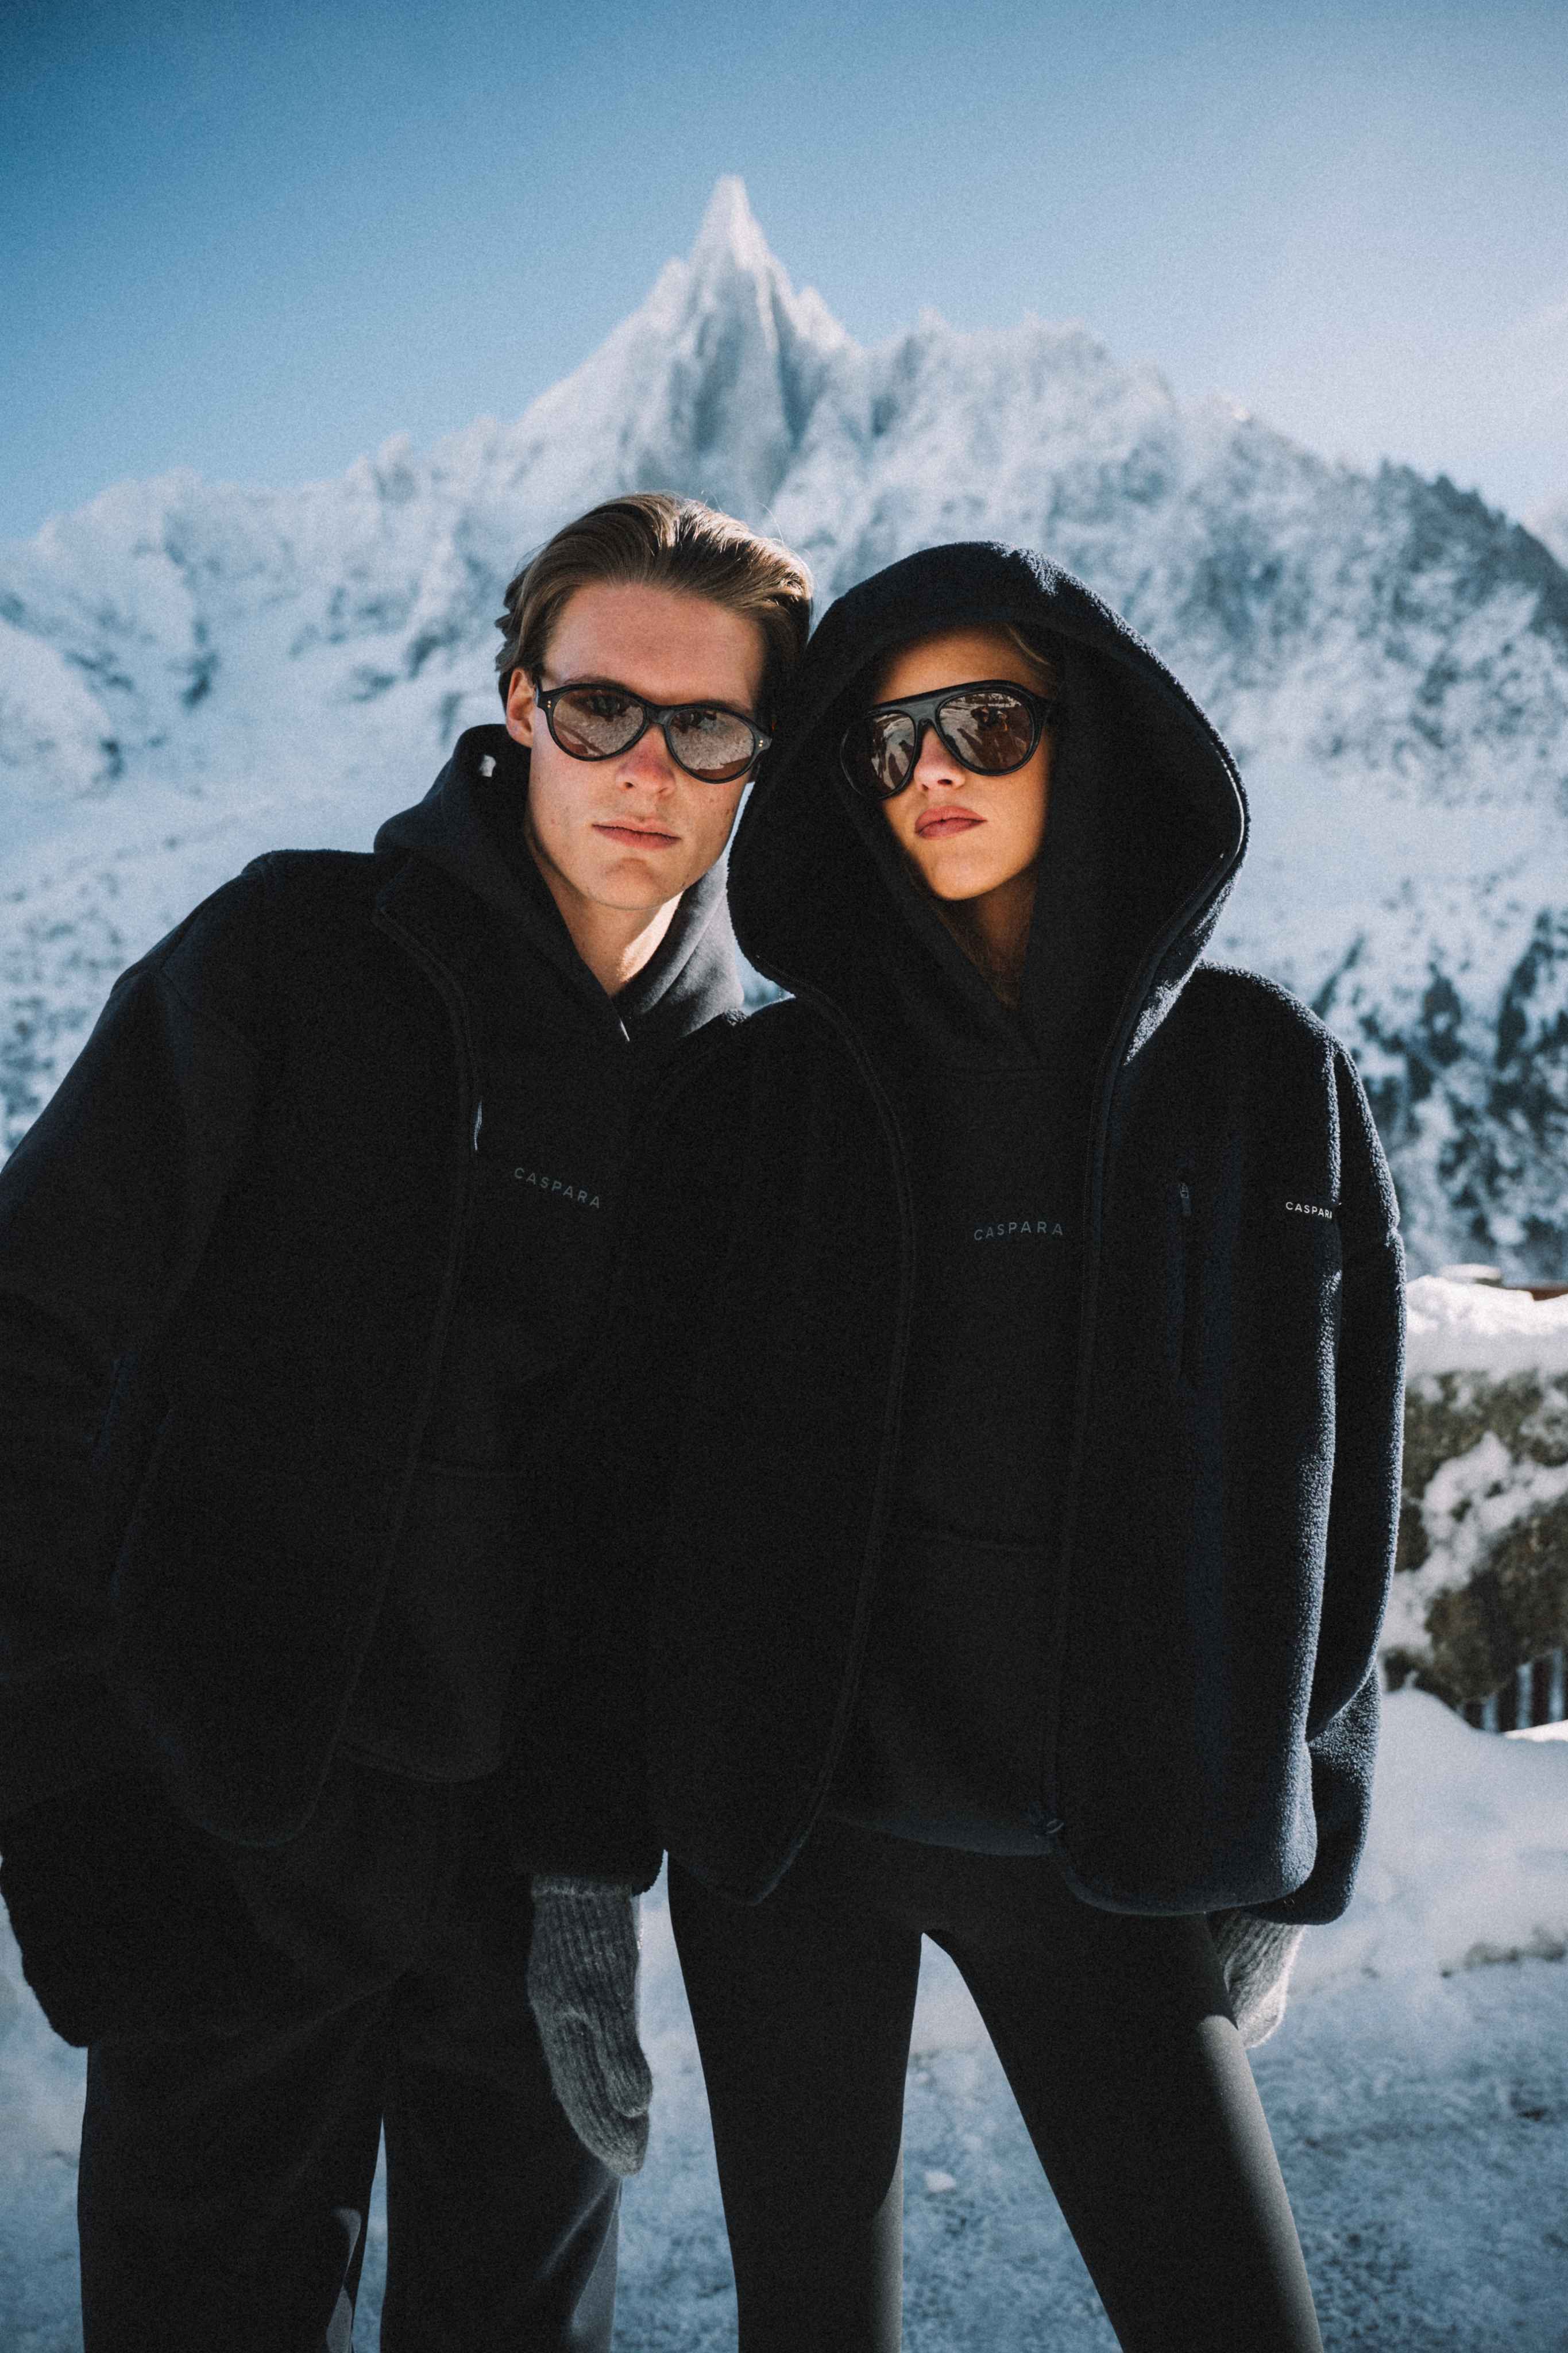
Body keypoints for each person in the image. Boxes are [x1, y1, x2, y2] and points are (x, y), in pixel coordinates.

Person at [523, 541, 1405, 2351]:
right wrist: (579, 1870)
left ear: (1088, 738)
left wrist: (1301, 1846)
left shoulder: (1261, 1079)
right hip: (792, 1849)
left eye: (984, 726)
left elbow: (1335, 1481)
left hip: (1107, 1848)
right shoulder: (752, 1101)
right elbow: (620, 1503)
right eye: (882, 743)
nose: (929, 772)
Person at [0, 491, 812, 2352]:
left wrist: (604, 1868)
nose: (647, 766)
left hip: (538, 1892)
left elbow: (708, 1517)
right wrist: (72, 1798)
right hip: (228, 1833)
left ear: (761, 760)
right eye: (602, 708)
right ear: (519, 705)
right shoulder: (291, 956)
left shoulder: (747, 1088)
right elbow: (27, 1344)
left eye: (708, 729)